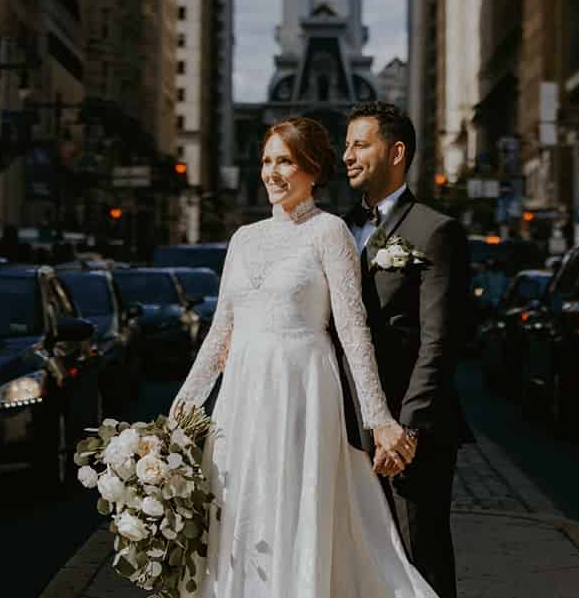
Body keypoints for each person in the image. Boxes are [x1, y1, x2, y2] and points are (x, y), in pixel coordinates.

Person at [170, 117, 436, 598]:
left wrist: (380, 420)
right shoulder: (242, 238)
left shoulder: (328, 232)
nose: (272, 173)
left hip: (303, 393)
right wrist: (180, 412)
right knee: (239, 511)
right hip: (240, 399)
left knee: (293, 508)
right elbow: (220, 332)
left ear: (312, 169)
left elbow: (354, 333)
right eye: (267, 161)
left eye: (285, 161)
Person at [341, 101, 472, 598]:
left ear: (396, 152)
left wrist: (407, 430)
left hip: (410, 431)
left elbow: (440, 342)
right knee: (359, 555)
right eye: (346, 145)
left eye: (360, 145)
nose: (347, 156)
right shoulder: (337, 228)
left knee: (421, 557)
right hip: (348, 424)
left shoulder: (435, 231)